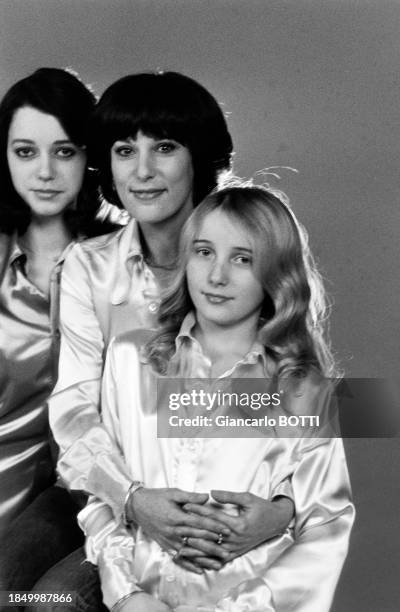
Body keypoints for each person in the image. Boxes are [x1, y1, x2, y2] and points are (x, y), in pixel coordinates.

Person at [36, 73, 294, 605]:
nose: (144, 170)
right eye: (125, 149)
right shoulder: (89, 267)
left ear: (199, 156)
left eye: (165, 147)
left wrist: (284, 508)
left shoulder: (252, 250)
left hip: (225, 503)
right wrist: (134, 499)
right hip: (110, 496)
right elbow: (74, 409)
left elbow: (310, 400)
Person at [80, 184, 355, 612]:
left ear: (276, 274)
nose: (217, 275)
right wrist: (126, 596)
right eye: (204, 252)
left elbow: (326, 527)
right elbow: (103, 496)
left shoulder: (305, 389)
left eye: (242, 259)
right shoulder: (129, 359)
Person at [0, 67, 117, 590]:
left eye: (64, 151)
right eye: (25, 152)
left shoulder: (125, 255)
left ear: (89, 156)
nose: (45, 171)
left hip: (101, 493)